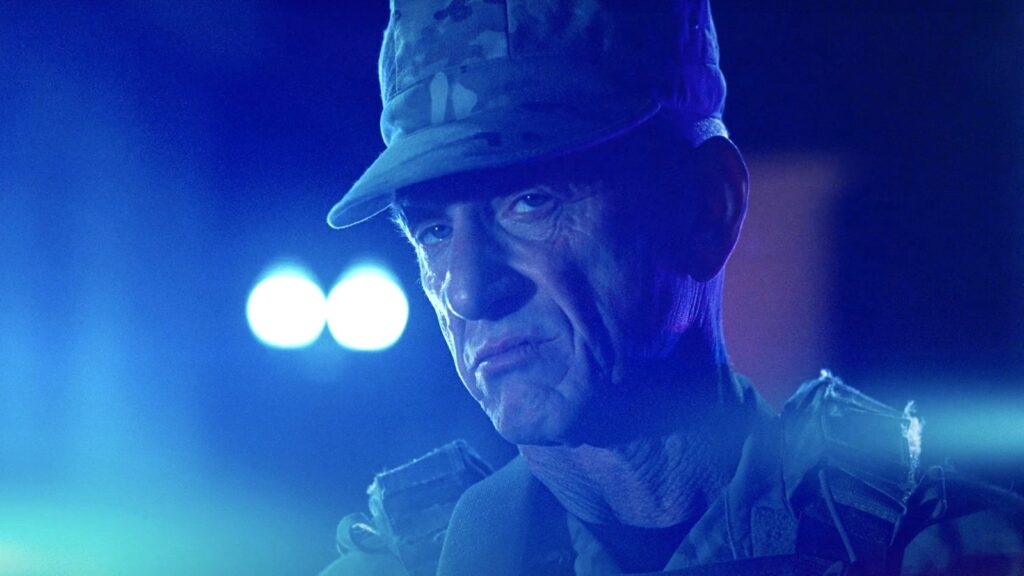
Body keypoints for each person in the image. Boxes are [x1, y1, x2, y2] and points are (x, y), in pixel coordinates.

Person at [318, 1, 1024, 575]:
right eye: (432, 230)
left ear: (708, 207)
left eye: (531, 202)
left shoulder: (951, 555)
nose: (469, 292)